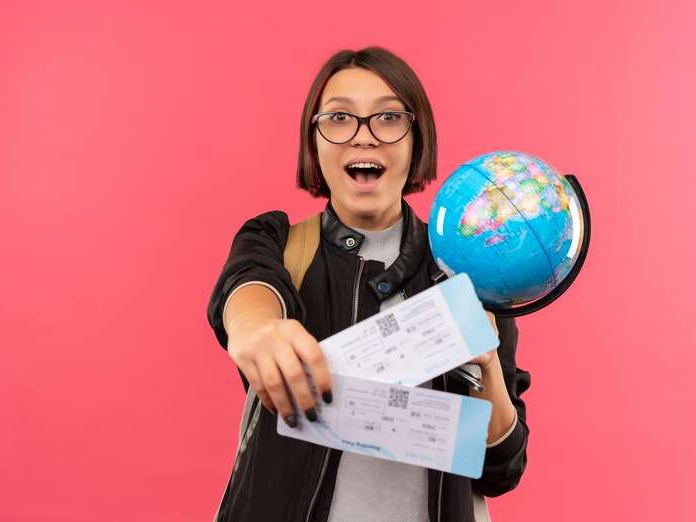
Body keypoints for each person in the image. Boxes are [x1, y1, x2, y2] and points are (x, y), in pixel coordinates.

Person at [207, 47, 530, 522]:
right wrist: (255, 328)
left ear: (416, 139)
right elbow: (247, 287)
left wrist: (485, 366)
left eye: (388, 117)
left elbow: (501, 472)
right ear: (313, 140)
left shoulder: (472, 272)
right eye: (339, 117)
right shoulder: (276, 242)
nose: (364, 136)